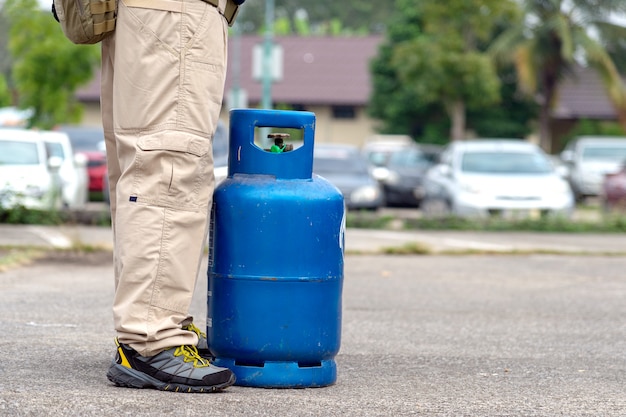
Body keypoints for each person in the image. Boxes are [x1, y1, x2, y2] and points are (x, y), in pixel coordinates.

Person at [100, 0, 245, 393]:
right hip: (176, 15)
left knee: (144, 167)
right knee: (171, 167)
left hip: (152, 17)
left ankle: (148, 328)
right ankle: (151, 340)